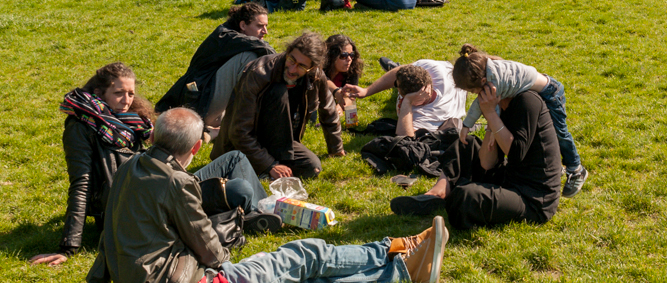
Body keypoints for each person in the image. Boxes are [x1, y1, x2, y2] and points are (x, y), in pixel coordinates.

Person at [87, 107, 447, 283]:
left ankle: (401, 264)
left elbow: (109, 239)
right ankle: (396, 251)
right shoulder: (175, 182)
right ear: (196, 147)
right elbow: (207, 246)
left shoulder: (128, 168)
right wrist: (224, 259)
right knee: (306, 253)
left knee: (307, 272)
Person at [29, 63, 154, 266]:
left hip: (142, 190)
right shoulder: (80, 127)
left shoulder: (131, 121)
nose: (126, 100)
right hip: (122, 203)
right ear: (99, 93)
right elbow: (81, 182)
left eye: (131, 93)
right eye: (119, 93)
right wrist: (68, 247)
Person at [390, 86, 561, 232]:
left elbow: (516, 155)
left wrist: (491, 114)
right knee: (467, 144)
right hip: (510, 178)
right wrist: (492, 117)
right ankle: (439, 192)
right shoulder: (501, 106)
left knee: (466, 196)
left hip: (533, 199)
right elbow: (487, 163)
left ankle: (453, 196)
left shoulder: (528, 101)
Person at [453, 44, 588, 197]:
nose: (473, 94)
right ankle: (556, 168)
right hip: (539, 89)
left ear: (483, 80)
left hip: (550, 93)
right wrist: (466, 125)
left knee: (559, 133)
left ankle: (576, 169)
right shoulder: (486, 70)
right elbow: (483, 103)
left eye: (472, 91)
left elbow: (490, 108)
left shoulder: (495, 81)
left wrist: (487, 131)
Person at [212, 31, 344, 179]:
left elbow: (328, 109)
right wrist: (270, 165)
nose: (292, 69)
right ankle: (258, 168)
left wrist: (335, 148)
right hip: (242, 144)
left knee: (312, 168)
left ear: (312, 68)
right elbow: (239, 131)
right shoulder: (259, 73)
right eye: (291, 60)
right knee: (279, 92)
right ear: (287, 52)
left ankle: (263, 169)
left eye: (301, 66)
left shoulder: (315, 75)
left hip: (282, 142)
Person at [157, 3, 275, 134]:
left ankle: (228, 126)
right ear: (242, 25)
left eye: (266, 26)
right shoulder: (224, 36)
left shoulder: (234, 36)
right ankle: (247, 121)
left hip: (210, 105)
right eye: (259, 26)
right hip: (201, 107)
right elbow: (264, 48)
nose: (265, 31)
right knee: (248, 57)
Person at [344, 60, 468, 137]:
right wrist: (367, 91)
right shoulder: (434, 69)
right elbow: (405, 69)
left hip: (450, 99)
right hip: (450, 83)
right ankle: (393, 66)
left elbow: (405, 138)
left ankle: (393, 66)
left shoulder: (430, 117)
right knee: (403, 72)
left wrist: (407, 102)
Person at [324, 35, 364, 109]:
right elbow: (321, 78)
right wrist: (336, 91)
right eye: (344, 55)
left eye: (351, 55)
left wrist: (341, 106)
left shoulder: (352, 68)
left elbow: (351, 95)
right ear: (332, 56)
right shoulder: (320, 68)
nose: (349, 59)